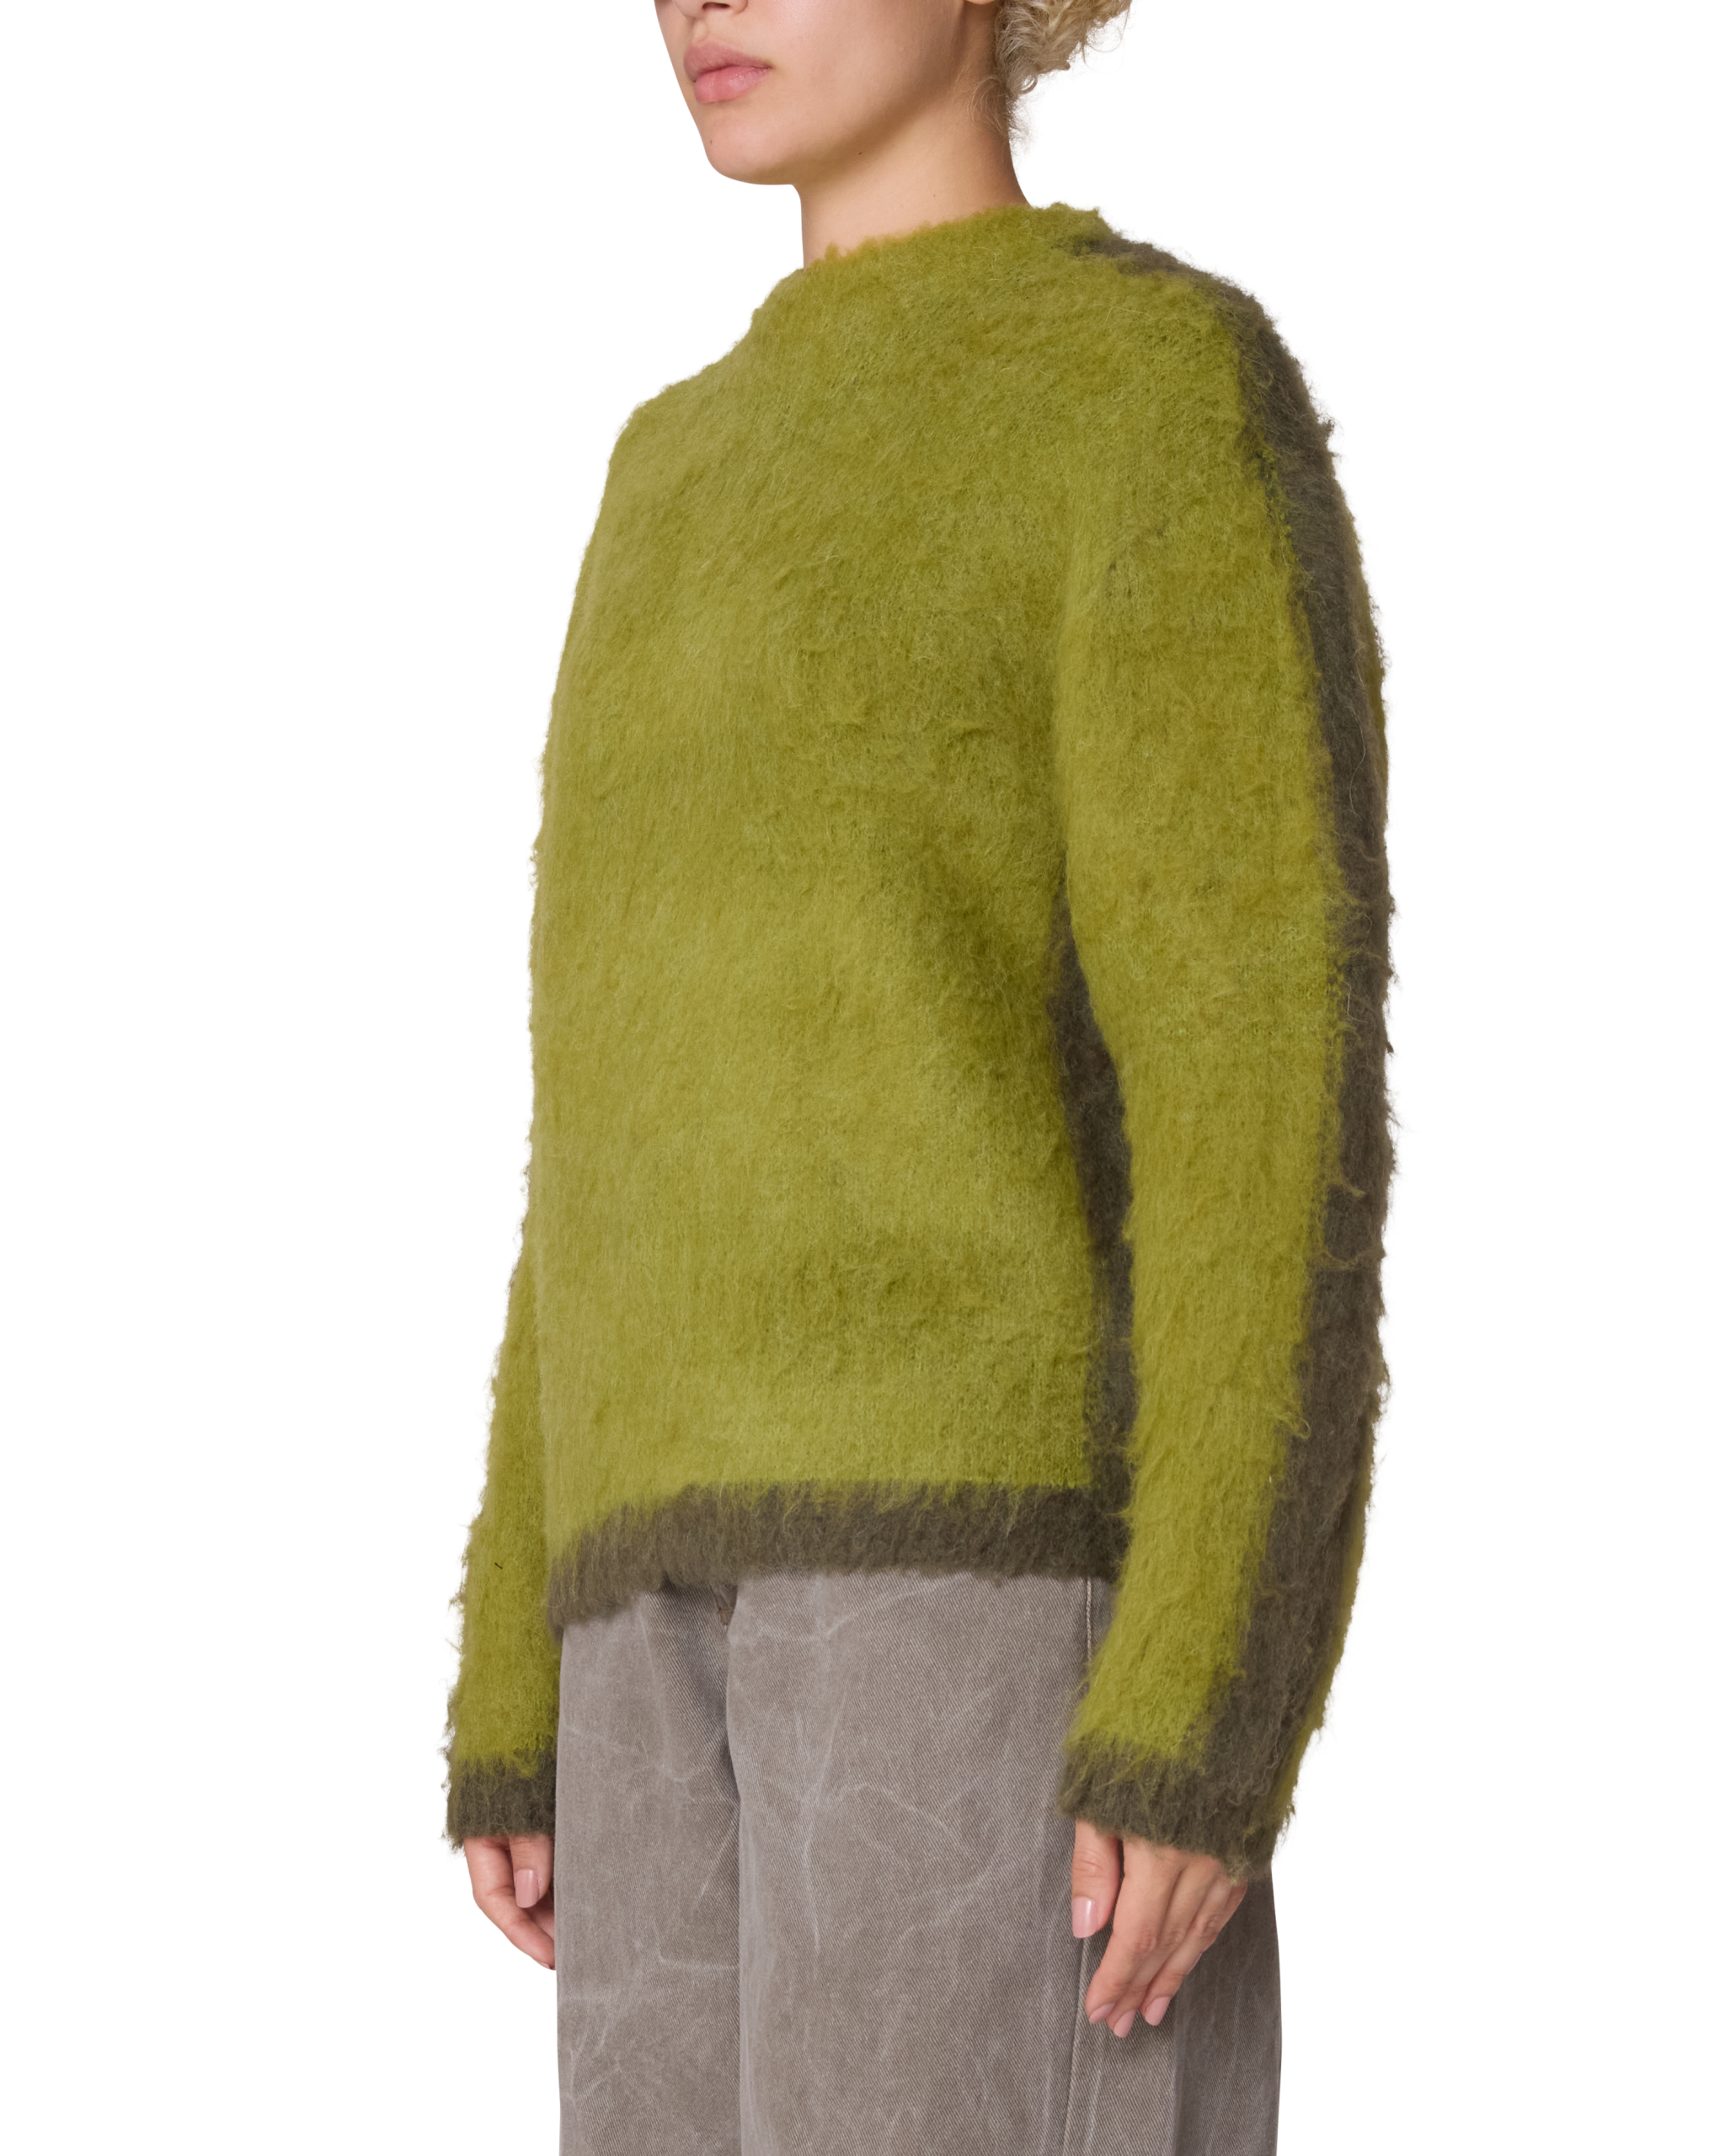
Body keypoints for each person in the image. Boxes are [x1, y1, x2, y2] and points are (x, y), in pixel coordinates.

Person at [436, 3, 1403, 2150]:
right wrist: (513, 1652)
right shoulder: (660, 469)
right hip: (639, 1632)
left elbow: (1263, 1086)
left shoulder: (1144, 386)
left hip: (984, 1596)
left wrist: (1210, 1689)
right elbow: (599, 1109)